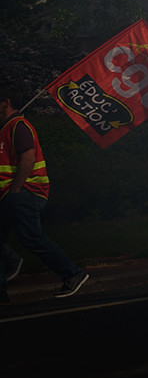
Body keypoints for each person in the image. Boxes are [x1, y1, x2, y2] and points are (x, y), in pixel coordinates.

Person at [0, 89, 90, 303]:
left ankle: (73, 274)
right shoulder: (7, 128)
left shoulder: (18, 126)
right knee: (29, 238)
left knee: (32, 238)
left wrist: (15, 189)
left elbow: (28, 158)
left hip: (25, 193)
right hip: (12, 196)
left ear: (6, 102)